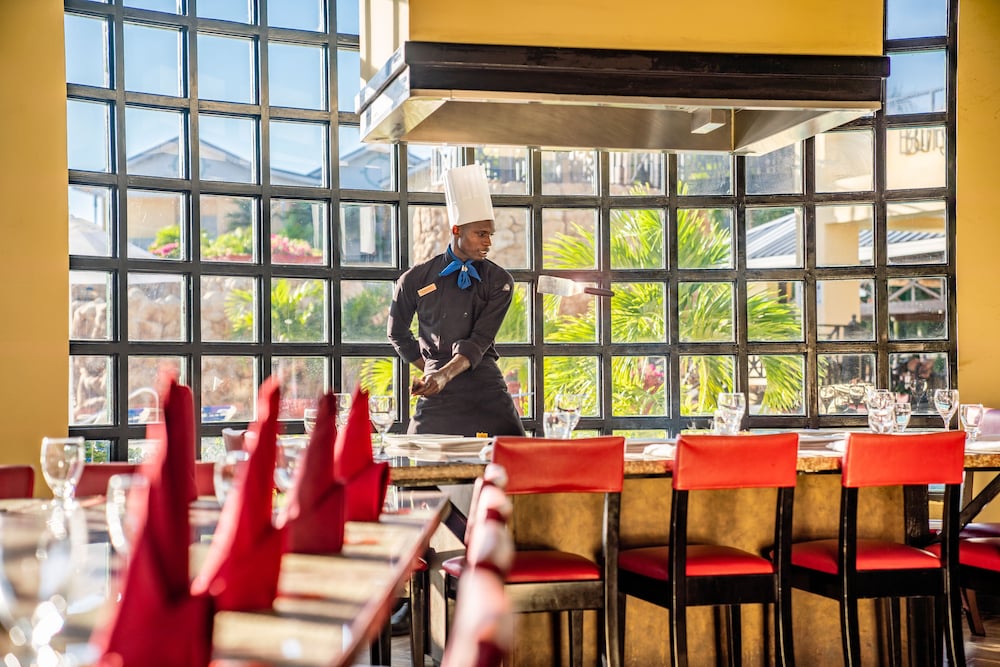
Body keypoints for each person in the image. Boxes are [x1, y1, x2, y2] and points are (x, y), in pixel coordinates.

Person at [388, 164, 525, 437]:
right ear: (456, 230)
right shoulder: (415, 279)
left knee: (515, 454)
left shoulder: (500, 281)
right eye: (480, 234)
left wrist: (444, 374)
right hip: (438, 389)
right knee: (418, 456)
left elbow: (480, 340)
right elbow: (397, 333)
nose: (488, 243)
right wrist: (432, 369)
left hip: (485, 384)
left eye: (490, 235)